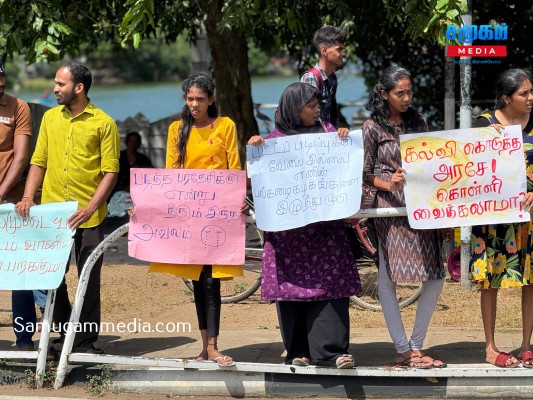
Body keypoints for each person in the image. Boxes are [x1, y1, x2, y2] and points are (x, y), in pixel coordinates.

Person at [247, 82, 360, 368]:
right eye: (310, 106)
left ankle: (331, 352)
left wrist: (344, 141)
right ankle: (298, 351)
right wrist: (255, 150)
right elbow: (257, 181)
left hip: (325, 235)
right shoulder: (272, 143)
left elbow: (345, 167)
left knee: (329, 288)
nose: (317, 109)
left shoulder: (328, 135)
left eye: (317, 105)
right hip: (289, 238)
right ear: (293, 110)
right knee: (292, 290)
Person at [15, 63, 120, 354]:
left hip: (89, 215)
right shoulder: (50, 118)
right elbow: (39, 160)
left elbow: (110, 172)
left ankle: (85, 342)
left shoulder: (104, 123)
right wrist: (27, 197)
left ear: (79, 88)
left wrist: (91, 208)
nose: (54, 89)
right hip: (53, 215)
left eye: (60, 84)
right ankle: (64, 333)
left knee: (88, 279)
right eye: (55, 83)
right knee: (49, 277)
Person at [146, 73, 245, 367]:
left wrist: (238, 200)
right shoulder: (177, 130)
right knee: (197, 280)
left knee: (212, 280)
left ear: (211, 100)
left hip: (218, 215)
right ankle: (206, 346)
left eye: (200, 99)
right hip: (189, 216)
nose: (194, 104)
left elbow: (234, 167)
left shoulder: (225, 126)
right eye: (190, 98)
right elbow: (170, 174)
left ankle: (212, 346)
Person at [362, 66, 446, 368]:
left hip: (421, 207)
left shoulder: (418, 121)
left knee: (435, 276)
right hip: (390, 211)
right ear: (385, 94)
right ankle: (402, 348)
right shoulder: (372, 127)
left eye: (409, 92)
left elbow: (432, 160)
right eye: (400, 93)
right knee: (388, 278)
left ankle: (416, 345)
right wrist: (389, 183)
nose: (406, 97)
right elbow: (364, 173)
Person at [469, 68, 533, 368]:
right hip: (493, 218)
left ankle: (526, 344)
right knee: (489, 282)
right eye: (524, 93)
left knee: (531, 281)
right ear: (506, 99)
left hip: (529, 218)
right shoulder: (483, 125)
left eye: (531, 92)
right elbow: (464, 166)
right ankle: (491, 347)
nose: (531, 98)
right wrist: (481, 141)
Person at [0, 63, 37, 353]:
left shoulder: (18, 107)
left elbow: (21, 157)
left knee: (19, 272)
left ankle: (24, 339)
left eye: (2, 78)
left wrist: (0, 193)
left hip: (9, 205)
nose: (0, 84)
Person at [300, 25, 346, 128]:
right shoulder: (311, 78)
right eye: (339, 49)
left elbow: (331, 115)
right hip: (314, 141)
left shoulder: (332, 78)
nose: (343, 53)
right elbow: (308, 119)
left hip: (327, 138)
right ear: (324, 51)